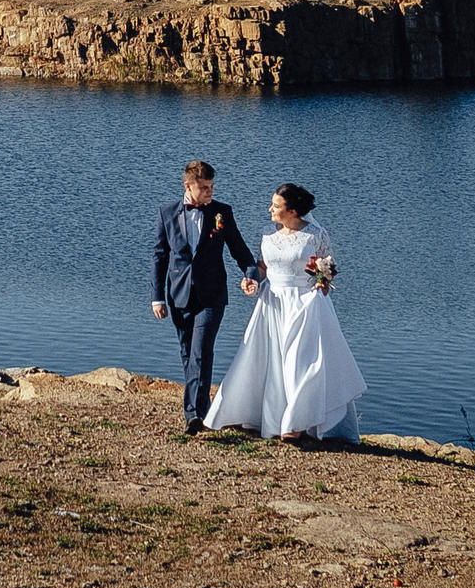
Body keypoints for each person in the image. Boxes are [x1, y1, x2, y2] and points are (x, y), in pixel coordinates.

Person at [203, 183, 366, 444]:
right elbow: (262, 266)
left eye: (276, 206)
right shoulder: (268, 233)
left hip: (304, 304)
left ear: (292, 211)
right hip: (272, 303)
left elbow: (327, 264)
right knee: (264, 360)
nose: (270, 210)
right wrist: (252, 281)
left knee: (299, 363)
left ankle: (297, 423)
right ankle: (253, 414)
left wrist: (322, 283)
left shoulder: (315, 235)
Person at [151, 159, 263, 436]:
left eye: (212, 186)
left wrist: (251, 274)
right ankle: (202, 407)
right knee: (188, 352)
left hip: (213, 296)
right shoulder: (167, 213)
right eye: (204, 188)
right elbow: (159, 257)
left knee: (201, 352)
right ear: (188, 186)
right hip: (178, 295)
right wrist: (157, 298)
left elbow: (240, 250)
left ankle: (195, 414)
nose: (210, 192)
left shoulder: (221, 212)